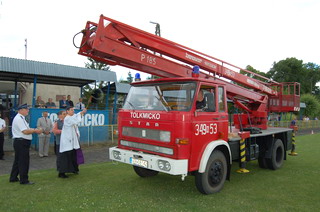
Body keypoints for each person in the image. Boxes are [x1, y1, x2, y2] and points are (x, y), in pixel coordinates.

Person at [9, 104, 42, 185]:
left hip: (20, 141)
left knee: (18, 160)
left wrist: (33, 130)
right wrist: (35, 130)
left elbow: (27, 129)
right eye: (26, 109)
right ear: (21, 110)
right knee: (23, 161)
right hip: (21, 142)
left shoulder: (21, 118)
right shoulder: (19, 119)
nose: (27, 110)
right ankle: (24, 180)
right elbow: (25, 131)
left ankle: (13, 177)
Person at [58, 106, 86, 178]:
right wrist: (81, 114)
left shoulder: (71, 117)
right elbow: (77, 121)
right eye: (71, 110)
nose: (73, 111)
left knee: (73, 155)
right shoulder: (67, 118)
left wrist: (81, 112)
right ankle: (62, 172)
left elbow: (76, 115)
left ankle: (73, 169)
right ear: (67, 111)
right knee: (66, 156)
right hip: (67, 141)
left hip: (72, 141)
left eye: (73, 110)